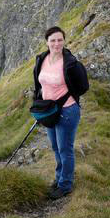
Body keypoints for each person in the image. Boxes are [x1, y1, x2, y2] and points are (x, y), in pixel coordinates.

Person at [33, 26, 88, 199]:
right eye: (53, 40)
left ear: (64, 41)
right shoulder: (42, 59)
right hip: (50, 111)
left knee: (65, 149)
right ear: (47, 42)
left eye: (60, 40)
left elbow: (83, 87)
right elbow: (39, 83)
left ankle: (65, 185)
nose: (57, 43)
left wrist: (65, 96)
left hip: (67, 111)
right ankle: (59, 179)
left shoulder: (70, 62)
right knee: (56, 147)